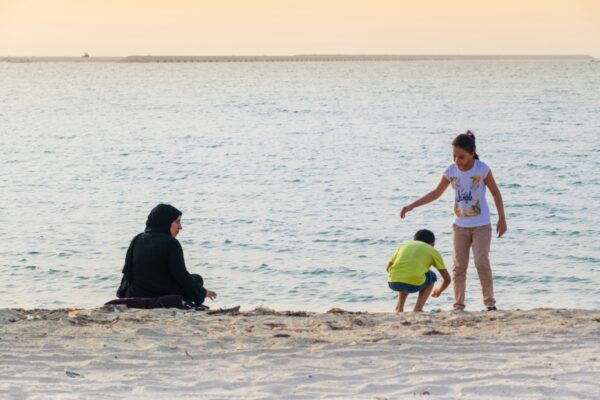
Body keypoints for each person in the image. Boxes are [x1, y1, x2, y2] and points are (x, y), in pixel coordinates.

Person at [400, 131, 506, 311]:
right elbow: (436, 193)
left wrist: (502, 218)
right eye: (454, 156)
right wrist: (411, 206)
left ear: (472, 153)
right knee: (459, 266)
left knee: (481, 262)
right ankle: (458, 305)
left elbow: (495, 192)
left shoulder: (482, 168)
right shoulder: (451, 170)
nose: (457, 161)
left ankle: (489, 303)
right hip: (460, 226)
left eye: (462, 157)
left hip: (481, 225)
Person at [117, 203, 216, 307]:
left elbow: (128, 274)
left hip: (136, 293)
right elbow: (181, 276)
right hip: (161, 294)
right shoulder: (172, 243)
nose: (180, 227)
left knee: (193, 280)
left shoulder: (137, 239)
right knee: (197, 279)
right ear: (166, 222)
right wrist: (202, 292)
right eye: (177, 222)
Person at [387, 229, 451, 312]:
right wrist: (439, 291)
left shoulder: (404, 245)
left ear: (414, 239)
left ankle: (399, 308)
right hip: (413, 285)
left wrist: (399, 276)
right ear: (433, 243)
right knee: (432, 276)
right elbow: (447, 279)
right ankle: (418, 308)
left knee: (405, 273)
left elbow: (388, 268)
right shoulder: (433, 251)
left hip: (393, 283)